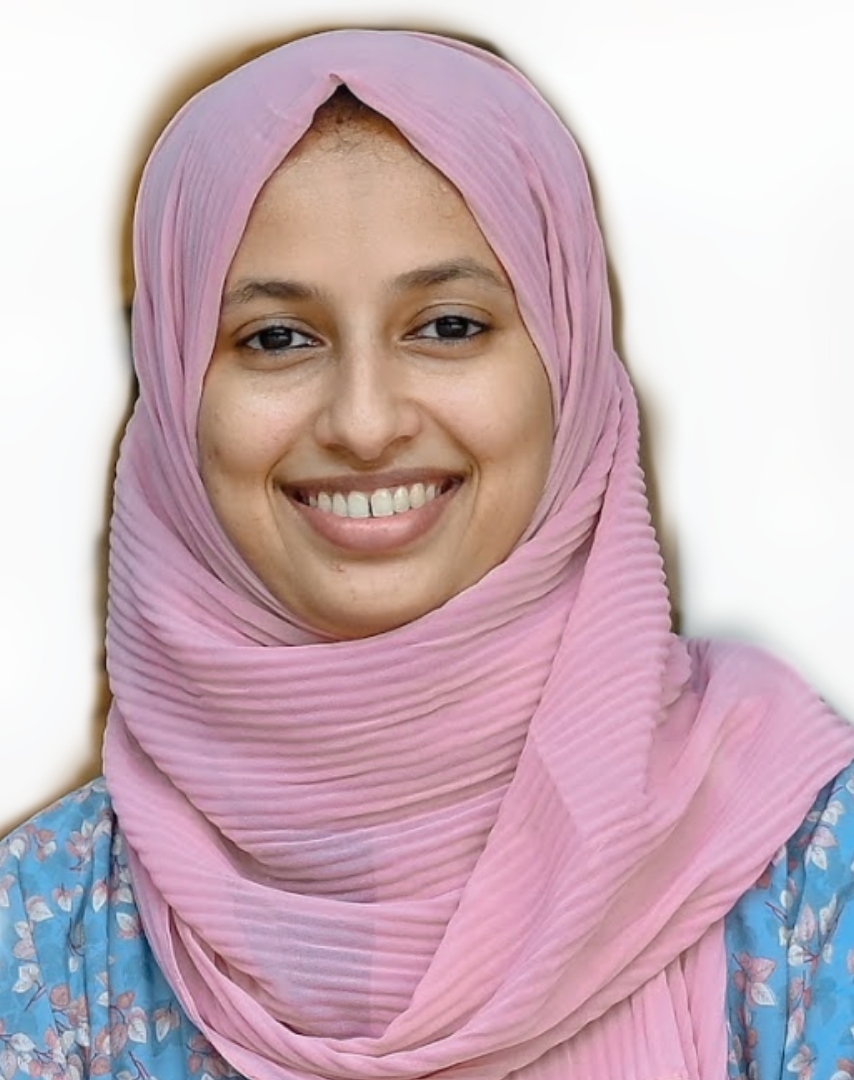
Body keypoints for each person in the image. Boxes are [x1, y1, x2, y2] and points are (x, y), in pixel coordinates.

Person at [1, 27, 853, 1080]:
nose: (364, 423)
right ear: (175, 399)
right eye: (275, 338)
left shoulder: (807, 868)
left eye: (447, 326)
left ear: (569, 363)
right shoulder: (46, 926)